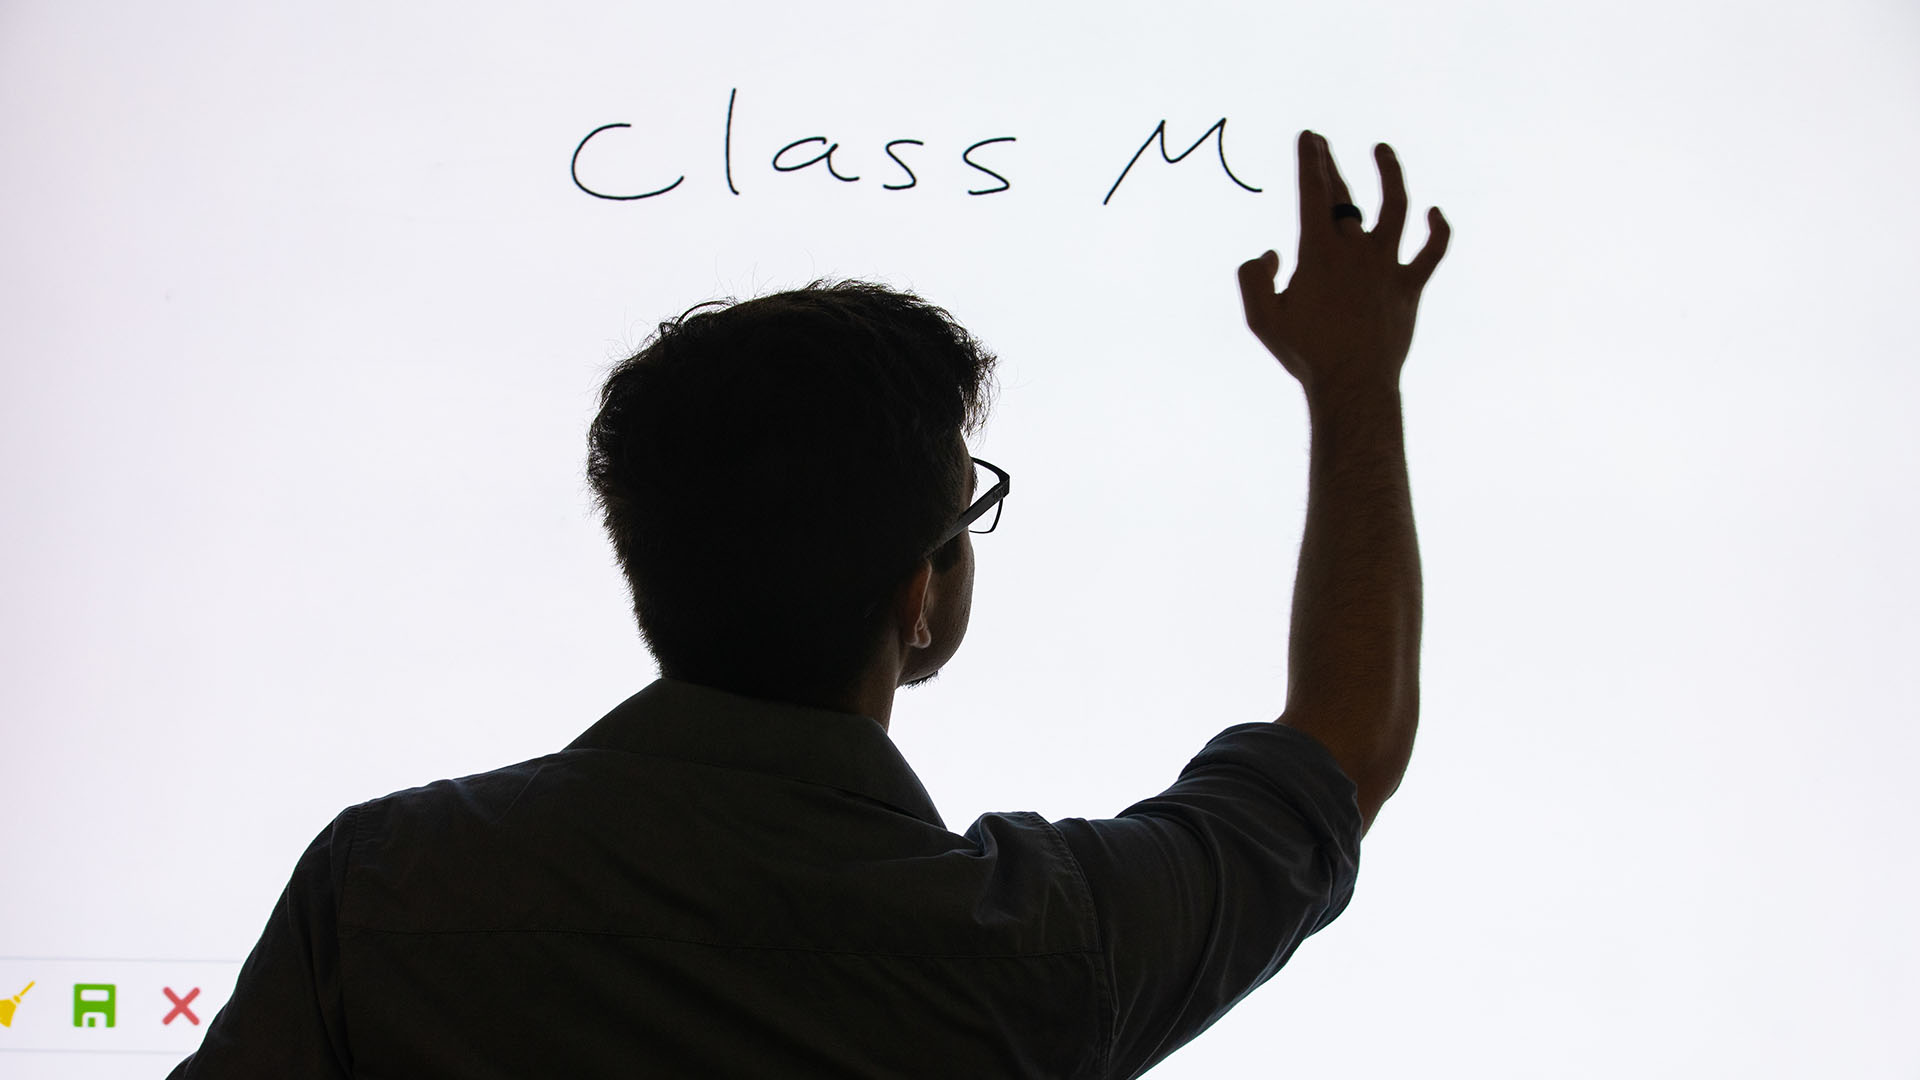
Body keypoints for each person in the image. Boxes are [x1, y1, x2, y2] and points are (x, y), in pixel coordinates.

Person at [168, 129, 1448, 1079]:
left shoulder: (384, 890)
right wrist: (1354, 377)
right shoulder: (1049, 949)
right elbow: (1342, 748)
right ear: (918, 599)